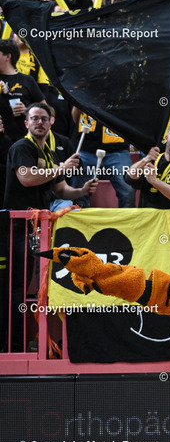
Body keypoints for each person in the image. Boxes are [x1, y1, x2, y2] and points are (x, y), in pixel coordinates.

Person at [2, 102, 97, 351]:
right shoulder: (21, 147)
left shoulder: (50, 154)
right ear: (26, 123)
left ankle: (21, 343)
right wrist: (61, 167)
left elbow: (60, 189)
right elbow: (26, 178)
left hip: (36, 228)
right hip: (16, 228)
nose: (39, 122)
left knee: (26, 285)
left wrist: (81, 190)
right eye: (34, 118)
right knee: (15, 287)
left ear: (51, 122)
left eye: (44, 118)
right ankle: (11, 345)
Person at [124, 120, 170, 209]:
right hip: (149, 217)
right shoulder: (152, 160)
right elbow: (129, 178)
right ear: (166, 138)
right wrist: (145, 159)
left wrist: (155, 181)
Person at [70, 110, 136, 208]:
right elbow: (76, 119)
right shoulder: (84, 97)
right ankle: (80, 218)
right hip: (86, 147)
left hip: (117, 148)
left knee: (128, 191)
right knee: (78, 193)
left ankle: (128, 218)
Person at [0, 39, 45, 142]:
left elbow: (47, 110)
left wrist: (28, 110)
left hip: (24, 140)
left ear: (8, 56)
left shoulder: (27, 80)